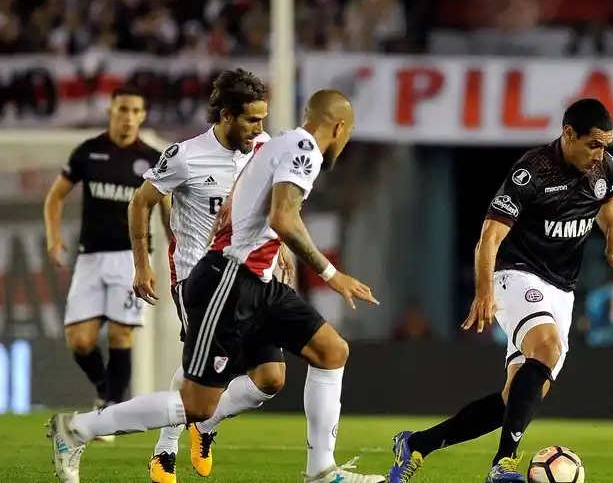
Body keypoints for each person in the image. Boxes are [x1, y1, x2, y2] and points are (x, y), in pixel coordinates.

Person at [46, 90, 385, 483]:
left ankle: (321, 471)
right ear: (340, 127)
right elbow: (282, 218)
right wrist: (331, 273)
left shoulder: (273, 144)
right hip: (230, 280)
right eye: (350, 133)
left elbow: (251, 208)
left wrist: (267, 244)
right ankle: (77, 430)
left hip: (259, 280)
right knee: (197, 404)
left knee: (330, 352)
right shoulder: (303, 149)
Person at [388, 98, 613, 483]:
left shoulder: (605, 167)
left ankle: (417, 444)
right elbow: (489, 236)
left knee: (517, 398)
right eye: (594, 144)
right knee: (547, 349)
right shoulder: (531, 171)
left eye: (606, 145)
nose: (601, 154)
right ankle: (504, 465)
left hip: (562, 290)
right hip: (516, 275)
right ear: (569, 134)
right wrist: (484, 292)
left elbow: (608, 200)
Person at [128, 69, 284, 483]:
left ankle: (205, 426)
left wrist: (279, 248)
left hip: (251, 275)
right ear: (227, 115)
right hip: (198, 277)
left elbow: (276, 203)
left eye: (263, 119)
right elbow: (141, 203)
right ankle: (164, 450)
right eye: (252, 119)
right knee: (201, 371)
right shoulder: (185, 156)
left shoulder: (266, 149)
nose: (260, 128)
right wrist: (142, 263)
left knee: (271, 380)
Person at [43, 85, 166, 442]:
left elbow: (167, 207)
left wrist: (175, 248)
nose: (128, 117)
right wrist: (53, 237)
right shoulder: (89, 151)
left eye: (135, 111)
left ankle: (112, 410)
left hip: (132, 258)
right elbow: (55, 197)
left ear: (142, 116)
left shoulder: (153, 158)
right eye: (122, 109)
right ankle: (103, 387)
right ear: (111, 111)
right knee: (80, 341)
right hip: (91, 257)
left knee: (119, 332)